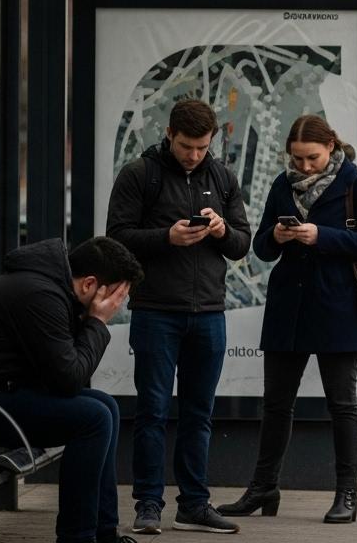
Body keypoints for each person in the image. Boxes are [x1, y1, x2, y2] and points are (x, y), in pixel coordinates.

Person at [0, 237, 144, 543]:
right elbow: (68, 378)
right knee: (93, 418)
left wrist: (89, 322)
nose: (119, 305)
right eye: (117, 296)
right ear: (91, 284)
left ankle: (104, 534)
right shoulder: (40, 295)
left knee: (106, 407)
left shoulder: (50, 290)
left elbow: (61, 375)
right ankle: (77, 537)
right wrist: (98, 322)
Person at [217, 115, 357, 524]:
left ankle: (347, 493)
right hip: (288, 307)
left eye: (312, 157)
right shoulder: (281, 184)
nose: (304, 166)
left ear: (331, 147)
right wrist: (276, 236)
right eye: (297, 158)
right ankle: (263, 488)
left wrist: (320, 236)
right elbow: (261, 247)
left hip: (339, 308)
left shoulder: (355, 184)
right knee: (275, 404)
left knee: (343, 404)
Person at [105, 98, 253, 535]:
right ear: (169, 134)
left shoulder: (222, 176)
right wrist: (167, 237)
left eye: (202, 147)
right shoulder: (140, 174)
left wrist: (223, 229)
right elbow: (117, 238)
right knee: (152, 411)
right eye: (186, 145)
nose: (193, 155)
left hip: (209, 312)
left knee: (198, 413)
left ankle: (194, 503)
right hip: (156, 311)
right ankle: (148, 503)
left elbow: (243, 243)